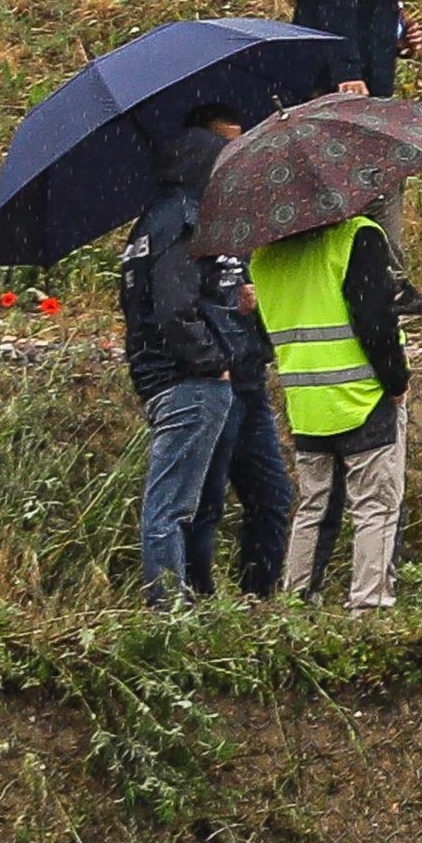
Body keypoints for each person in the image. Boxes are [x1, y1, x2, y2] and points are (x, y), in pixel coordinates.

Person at [121, 126, 269, 607]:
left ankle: (183, 603)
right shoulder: (185, 221)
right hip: (188, 380)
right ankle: (170, 612)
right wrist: (213, 363)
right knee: (173, 508)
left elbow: (158, 302)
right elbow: (174, 309)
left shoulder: (149, 224)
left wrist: (229, 300)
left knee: (182, 505)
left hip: (159, 376)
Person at [291, 0, 422, 318]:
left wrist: (393, 38)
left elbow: (357, 6)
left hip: (359, 78)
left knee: (374, 178)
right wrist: (347, 69)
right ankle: (385, 286)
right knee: (375, 178)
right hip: (345, 87)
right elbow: (332, 5)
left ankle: (377, 282)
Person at [249, 209, 410, 610]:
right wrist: (397, 381)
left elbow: (264, 333)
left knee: (314, 509)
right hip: (362, 397)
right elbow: (375, 322)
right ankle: (369, 607)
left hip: (306, 403)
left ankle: (297, 606)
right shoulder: (357, 238)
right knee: (376, 506)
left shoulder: (264, 256)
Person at [181, 104, 294, 600]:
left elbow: (267, 290)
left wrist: (257, 304)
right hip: (212, 380)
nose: (235, 156)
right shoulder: (182, 219)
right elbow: (172, 305)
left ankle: (258, 602)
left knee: (273, 500)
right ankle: (201, 605)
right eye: (225, 144)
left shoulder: (250, 218)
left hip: (250, 377)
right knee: (204, 505)